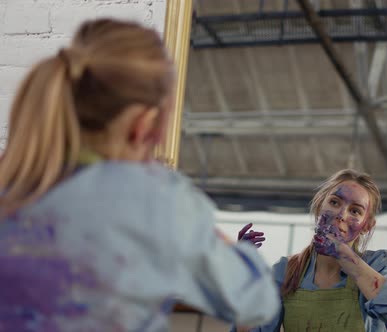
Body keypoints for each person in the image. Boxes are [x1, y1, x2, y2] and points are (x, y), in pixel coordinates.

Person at [0, 18, 280, 331]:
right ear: (144, 126)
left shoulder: (12, 180)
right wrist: (231, 245)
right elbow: (258, 302)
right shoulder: (155, 199)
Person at [237, 169, 387, 332]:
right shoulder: (285, 271)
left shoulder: (381, 265)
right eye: (334, 202)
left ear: (367, 226)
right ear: (319, 206)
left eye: (355, 211)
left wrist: (342, 254)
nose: (341, 215)